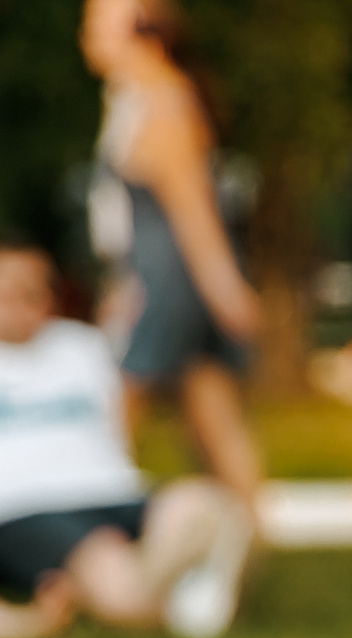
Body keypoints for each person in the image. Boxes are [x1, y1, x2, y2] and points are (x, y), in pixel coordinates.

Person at [0, 239, 249, 638]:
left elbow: (138, 389)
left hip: (117, 490)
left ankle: (172, 581)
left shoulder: (82, 346)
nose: (21, 300)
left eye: (33, 288)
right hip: (28, 508)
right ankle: (181, 588)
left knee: (201, 503)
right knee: (116, 587)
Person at [80, 0, 263, 511]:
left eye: (98, 25)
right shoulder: (133, 101)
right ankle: (244, 537)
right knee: (209, 412)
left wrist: (226, 290)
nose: (86, 37)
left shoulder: (163, 109)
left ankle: (91, 534)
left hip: (166, 283)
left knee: (113, 415)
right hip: (154, 275)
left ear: (146, 35)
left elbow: (193, 212)